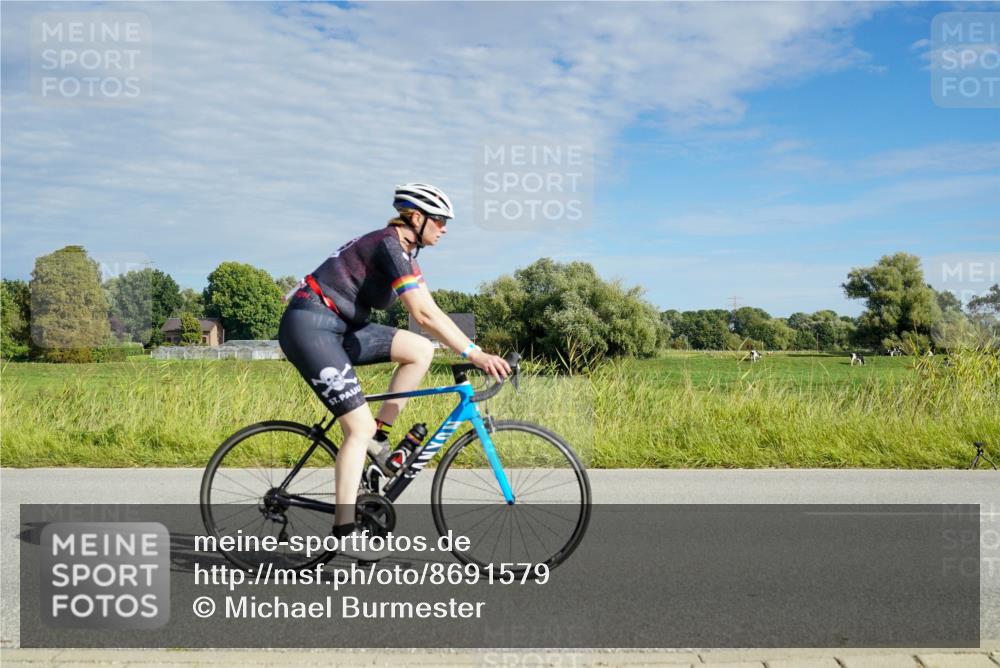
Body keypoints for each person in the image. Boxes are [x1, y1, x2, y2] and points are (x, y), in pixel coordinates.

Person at [277, 183, 511, 559]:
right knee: (357, 427)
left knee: (420, 349)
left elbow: (431, 312)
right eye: (440, 220)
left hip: (340, 328)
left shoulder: (404, 253)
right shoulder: (389, 245)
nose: (445, 228)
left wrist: (473, 350)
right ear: (416, 218)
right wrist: (476, 354)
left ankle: (379, 442)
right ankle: (344, 530)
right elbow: (421, 315)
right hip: (310, 326)